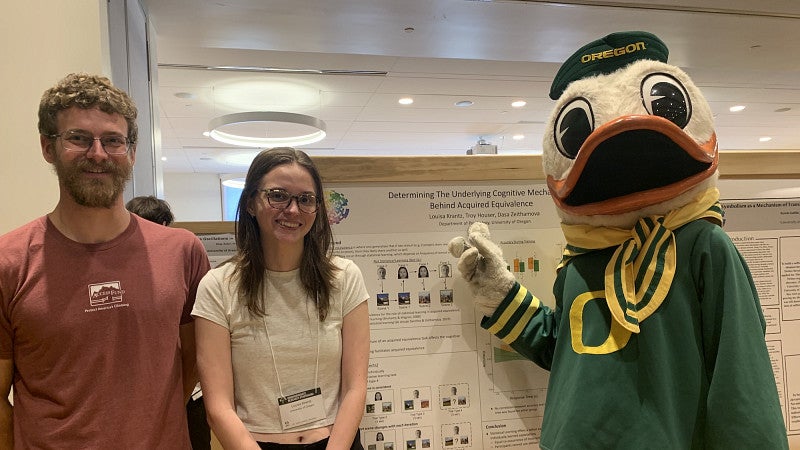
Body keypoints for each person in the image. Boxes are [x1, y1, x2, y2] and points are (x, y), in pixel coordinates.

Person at [0, 73, 210, 448]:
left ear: (130, 151)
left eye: (113, 140)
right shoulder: (9, 262)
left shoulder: (183, 252)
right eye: (78, 138)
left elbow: (194, 361)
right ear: (48, 147)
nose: (97, 153)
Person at [192, 147, 370, 449]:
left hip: (336, 442)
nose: (292, 210)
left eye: (305, 199)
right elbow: (218, 408)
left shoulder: (344, 277)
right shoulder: (218, 286)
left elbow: (355, 388)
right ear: (250, 202)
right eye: (277, 195)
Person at [125, 195, 212, 450]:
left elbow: (197, 345)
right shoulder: (123, 269)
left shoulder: (185, 254)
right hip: (143, 398)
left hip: (186, 394)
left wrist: (179, 400)